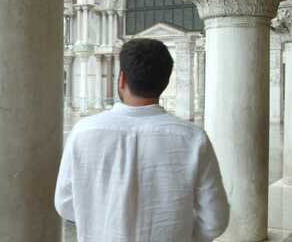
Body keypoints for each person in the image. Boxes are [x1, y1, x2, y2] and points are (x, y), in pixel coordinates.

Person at [55, 38, 229, 242]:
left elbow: (65, 203)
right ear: (166, 82)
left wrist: (101, 222)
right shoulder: (193, 139)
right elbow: (216, 219)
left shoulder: (83, 132)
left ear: (121, 79)